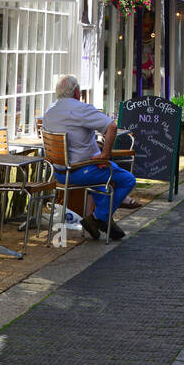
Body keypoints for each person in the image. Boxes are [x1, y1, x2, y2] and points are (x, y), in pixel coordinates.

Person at [42, 75, 135, 241]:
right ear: (77, 92)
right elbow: (111, 127)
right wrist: (104, 155)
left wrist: (98, 158)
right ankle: (98, 218)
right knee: (127, 180)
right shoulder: (82, 109)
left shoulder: (50, 111)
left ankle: (103, 222)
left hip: (58, 172)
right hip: (80, 171)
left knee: (101, 182)